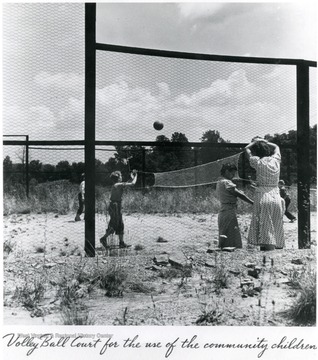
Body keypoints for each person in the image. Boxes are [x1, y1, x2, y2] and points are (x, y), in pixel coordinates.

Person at [245, 138, 285, 250]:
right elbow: (277, 147)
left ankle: (267, 255)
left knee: (265, 227)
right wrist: (265, 141)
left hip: (262, 195)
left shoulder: (257, 162)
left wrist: (255, 142)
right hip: (276, 196)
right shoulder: (275, 160)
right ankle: (275, 252)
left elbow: (246, 149)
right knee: (277, 225)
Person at [216, 163, 254, 249]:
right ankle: (228, 248)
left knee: (227, 231)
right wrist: (252, 202)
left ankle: (226, 247)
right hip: (228, 210)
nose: (233, 176)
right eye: (232, 173)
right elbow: (239, 194)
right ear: (226, 171)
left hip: (224, 209)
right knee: (230, 231)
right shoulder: (226, 182)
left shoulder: (220, 181)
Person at [100, 170, 138, 249]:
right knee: (114, 224)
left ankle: (121, 243)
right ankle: (103, 238)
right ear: (118, 178)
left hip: (116, 205)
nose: (121, 177)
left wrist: (131, 176)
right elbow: (132, 184)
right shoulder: (117, 184)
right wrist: (136, 175)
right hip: (115, 206)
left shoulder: (117, 184)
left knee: (120, 224)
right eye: (120, 176)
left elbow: (127, 183)